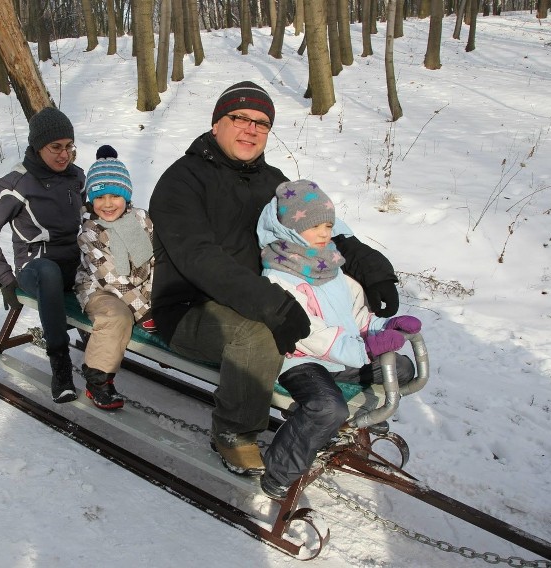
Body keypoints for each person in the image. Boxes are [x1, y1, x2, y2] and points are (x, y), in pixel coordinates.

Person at [148, 81, 400, 477]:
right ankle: (234, 432)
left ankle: (334, 388)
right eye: (241, 119)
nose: (251, 129)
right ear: (217, 124)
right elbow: (200, 258)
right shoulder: (181, 181)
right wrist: (272, 305)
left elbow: (321, 226)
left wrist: (373, 271)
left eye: (262, 124)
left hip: (265, 294)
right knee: (258, 333)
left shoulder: (274, 182)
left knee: (332, 303)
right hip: (190, 308)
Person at [256, 179, 421, 499]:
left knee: (400, 368)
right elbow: (308, 333)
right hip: (301, 361)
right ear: (291, 227)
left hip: (342, 354)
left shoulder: (328, 263)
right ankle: (278, 471)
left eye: (328, 225)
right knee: (326, 407)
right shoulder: (278, 273)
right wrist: (363, 348)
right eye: (314, 225)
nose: (324, 232)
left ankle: (361, 419)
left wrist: (385, 326)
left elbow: (354, 315)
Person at [0, 106, 84, 404]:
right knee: (48, 272)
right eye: (55, 147)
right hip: (36, 268)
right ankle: (60, 365)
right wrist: (5, 279)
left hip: (74, 264)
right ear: (37, 146)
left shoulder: (77, 177)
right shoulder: (17, 183)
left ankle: (101, 347)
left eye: (69, 147)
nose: (64, 155)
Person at [75, 145, 156, 410]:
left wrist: (152, 298)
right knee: (117, 317)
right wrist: (143, 310)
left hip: (137, 288)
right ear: (91, 200)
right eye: (100, 197)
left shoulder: (142, 220)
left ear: (127, 195)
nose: (108, 204)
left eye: (115, 196)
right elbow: (110, 278)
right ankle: (98, 381)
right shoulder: (90, 231)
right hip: (99, 289)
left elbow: (154, 261)